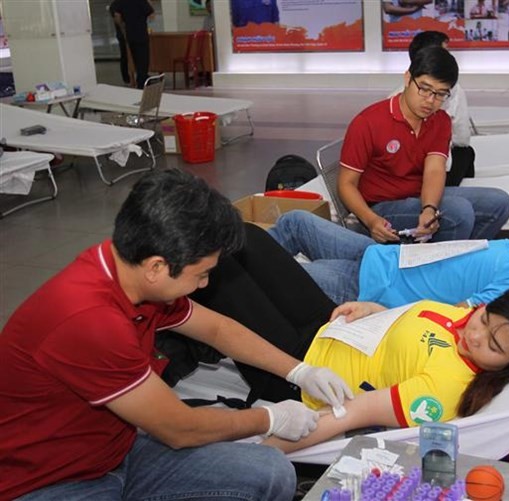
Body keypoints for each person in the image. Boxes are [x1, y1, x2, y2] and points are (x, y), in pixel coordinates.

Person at [0, 169, 354, 500]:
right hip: (49, 481)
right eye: (201, 274)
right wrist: (272, 418)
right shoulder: (91, 320)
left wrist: (299, 371)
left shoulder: (130, 275)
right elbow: (180, 429)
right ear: (157, 266)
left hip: (114, 450)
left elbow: (218, 328)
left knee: (270, 471)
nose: (205, 284)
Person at [187, 237, 509, 453]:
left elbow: (349, 415)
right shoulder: (471, 323)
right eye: (484, 318)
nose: (474, 334)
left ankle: (160, 319)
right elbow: (420, 320)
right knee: (245, 239)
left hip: (302, 370)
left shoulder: (442, 392)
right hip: (334, 325)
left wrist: (260, 450)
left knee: (221, 273)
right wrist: (375, 308)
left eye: (491, 344)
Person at [268, 204, 509, 306]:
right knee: (297, 221)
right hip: (386, 258)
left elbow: (459, 316)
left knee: (279, 271)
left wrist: (379, 315)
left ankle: (222, 294)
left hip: (372, 291)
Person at [338, 44, 509, 244]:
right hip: (381, 208)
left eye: (440, 94)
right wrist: (371, 221)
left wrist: (429, 208)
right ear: (407, 78)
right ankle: (440, 270)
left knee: (499, 202)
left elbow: (434, 170)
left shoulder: (440, 121)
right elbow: (346, 184)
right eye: (424, 89)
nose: (430, 101)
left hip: (419, 196)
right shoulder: (368, 122)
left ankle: (458, 259)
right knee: (460, 213)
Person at [406, 31, 474, 186]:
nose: (430, 100)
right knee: (465, 153)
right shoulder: (454, 93)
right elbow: (462, 139)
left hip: (427, 171)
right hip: (423, 175)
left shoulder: (394, 96)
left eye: (440, 94)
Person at [110, 0, 154, 89]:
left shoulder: (121, 2)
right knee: (143, 62)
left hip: (130, 35)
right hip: (141, 35)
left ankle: (138, 81)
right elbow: (151, 15)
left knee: (136, 61)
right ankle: (142, 84)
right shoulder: (141, 1)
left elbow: (117, 16)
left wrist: (123, 27)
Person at [108, 1, 130, 85]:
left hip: (131, 33)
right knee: (125, 55)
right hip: (122, 35)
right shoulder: (115, 4)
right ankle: (126, 78)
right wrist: (123, 31)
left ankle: (138, 75)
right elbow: (117, 18)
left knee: (134, 56)